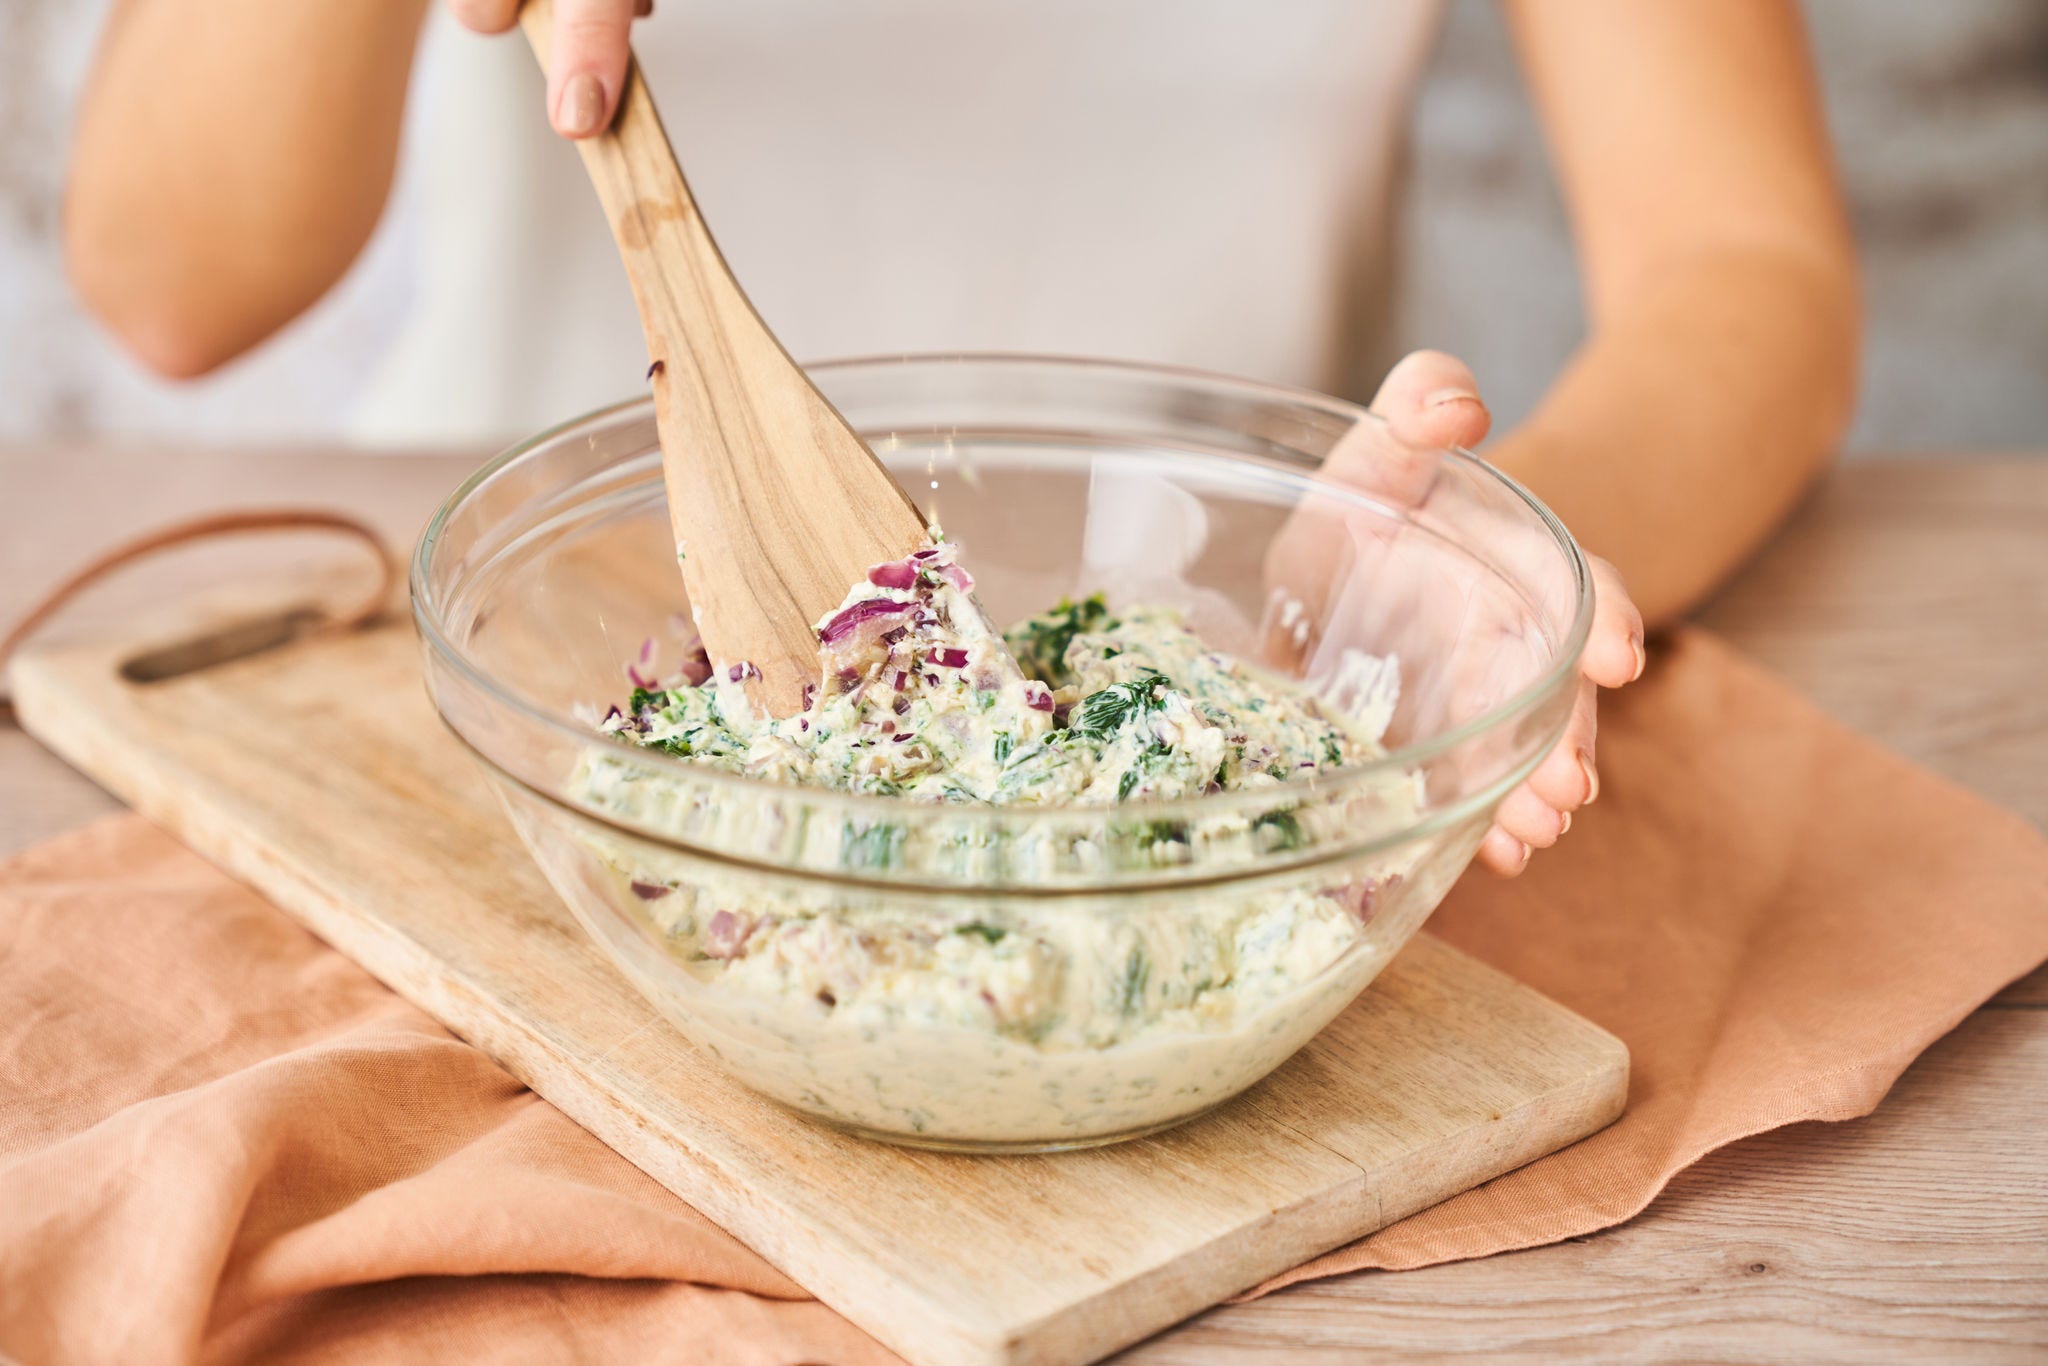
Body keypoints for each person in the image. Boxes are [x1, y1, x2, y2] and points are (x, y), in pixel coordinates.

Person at [60, 1, 1859, 876]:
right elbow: (164, 277)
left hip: (1243, 633)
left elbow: (1746, 263)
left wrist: (1489, 561)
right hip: (532, 688)